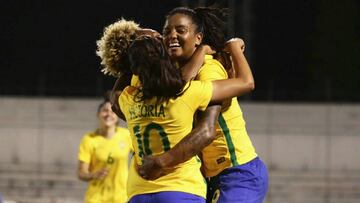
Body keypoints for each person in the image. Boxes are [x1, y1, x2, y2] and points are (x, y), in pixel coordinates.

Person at [139, 7, 268, 203]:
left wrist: (161, 161)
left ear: (198, 38)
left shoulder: (209, 68)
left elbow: (206, 129)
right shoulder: (171, 72)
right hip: (209, 177)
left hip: (236, 171)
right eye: (167, 32)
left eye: (180, 30)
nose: (172, 35)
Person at [115, 33, 253, 203]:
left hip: (139, 192)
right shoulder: (186, 95)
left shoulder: (127, 98)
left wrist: (126, 60)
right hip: (181, 189)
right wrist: (231, 48)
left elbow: (116, 96)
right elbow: (246, 82)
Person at [77, 93, 133, 203]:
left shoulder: (126, 135)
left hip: (120, 198)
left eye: (112, 111)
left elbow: (141, 156)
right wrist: (93, 174)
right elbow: (81, 173)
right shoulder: (89, 139)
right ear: (98, 114)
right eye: (105, 111)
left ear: (117, 117)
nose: (108, 114)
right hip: (96, 198)